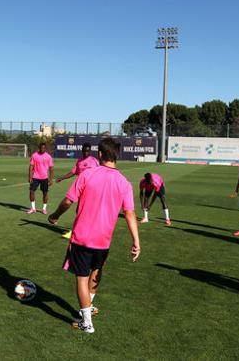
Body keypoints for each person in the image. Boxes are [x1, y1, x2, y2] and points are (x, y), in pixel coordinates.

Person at [48, 137, 141, 334]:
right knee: (96, 271)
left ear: (100, 154)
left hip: (82, 236)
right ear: (117, 155)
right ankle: (88, 309)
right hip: (104, 239)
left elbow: (67, 201)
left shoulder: (87, 175)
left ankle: (87, 323)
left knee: (81, 278)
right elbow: (130, 213)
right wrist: (136, 241)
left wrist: (55, 216)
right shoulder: (124, 183)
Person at [56, 142, 100, 238]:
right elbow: (73, 172)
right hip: (81, 189)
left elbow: (99, 174)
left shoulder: (94, 161)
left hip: (91, 190)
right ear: (82, 150)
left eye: (88, 151)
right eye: (84, 151)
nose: (86, 153)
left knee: (82, 210)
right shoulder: (79, 161)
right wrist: (62, 178)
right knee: (80, 210)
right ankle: (80, 231)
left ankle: (76, 232)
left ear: (90, 151)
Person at [27, 143, 54, 214]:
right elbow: (31, 167)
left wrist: (51, 179)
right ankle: (33, 208)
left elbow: (51, 169)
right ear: (39, 148)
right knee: (31, 191)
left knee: (45, 193)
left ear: (45, 149)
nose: (42, 149)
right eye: (41, 148)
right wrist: (30, 177)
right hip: (35, 177)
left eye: (44, 148)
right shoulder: (34, 155)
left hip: (44, 178)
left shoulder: (48, 157)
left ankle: (44, 209)